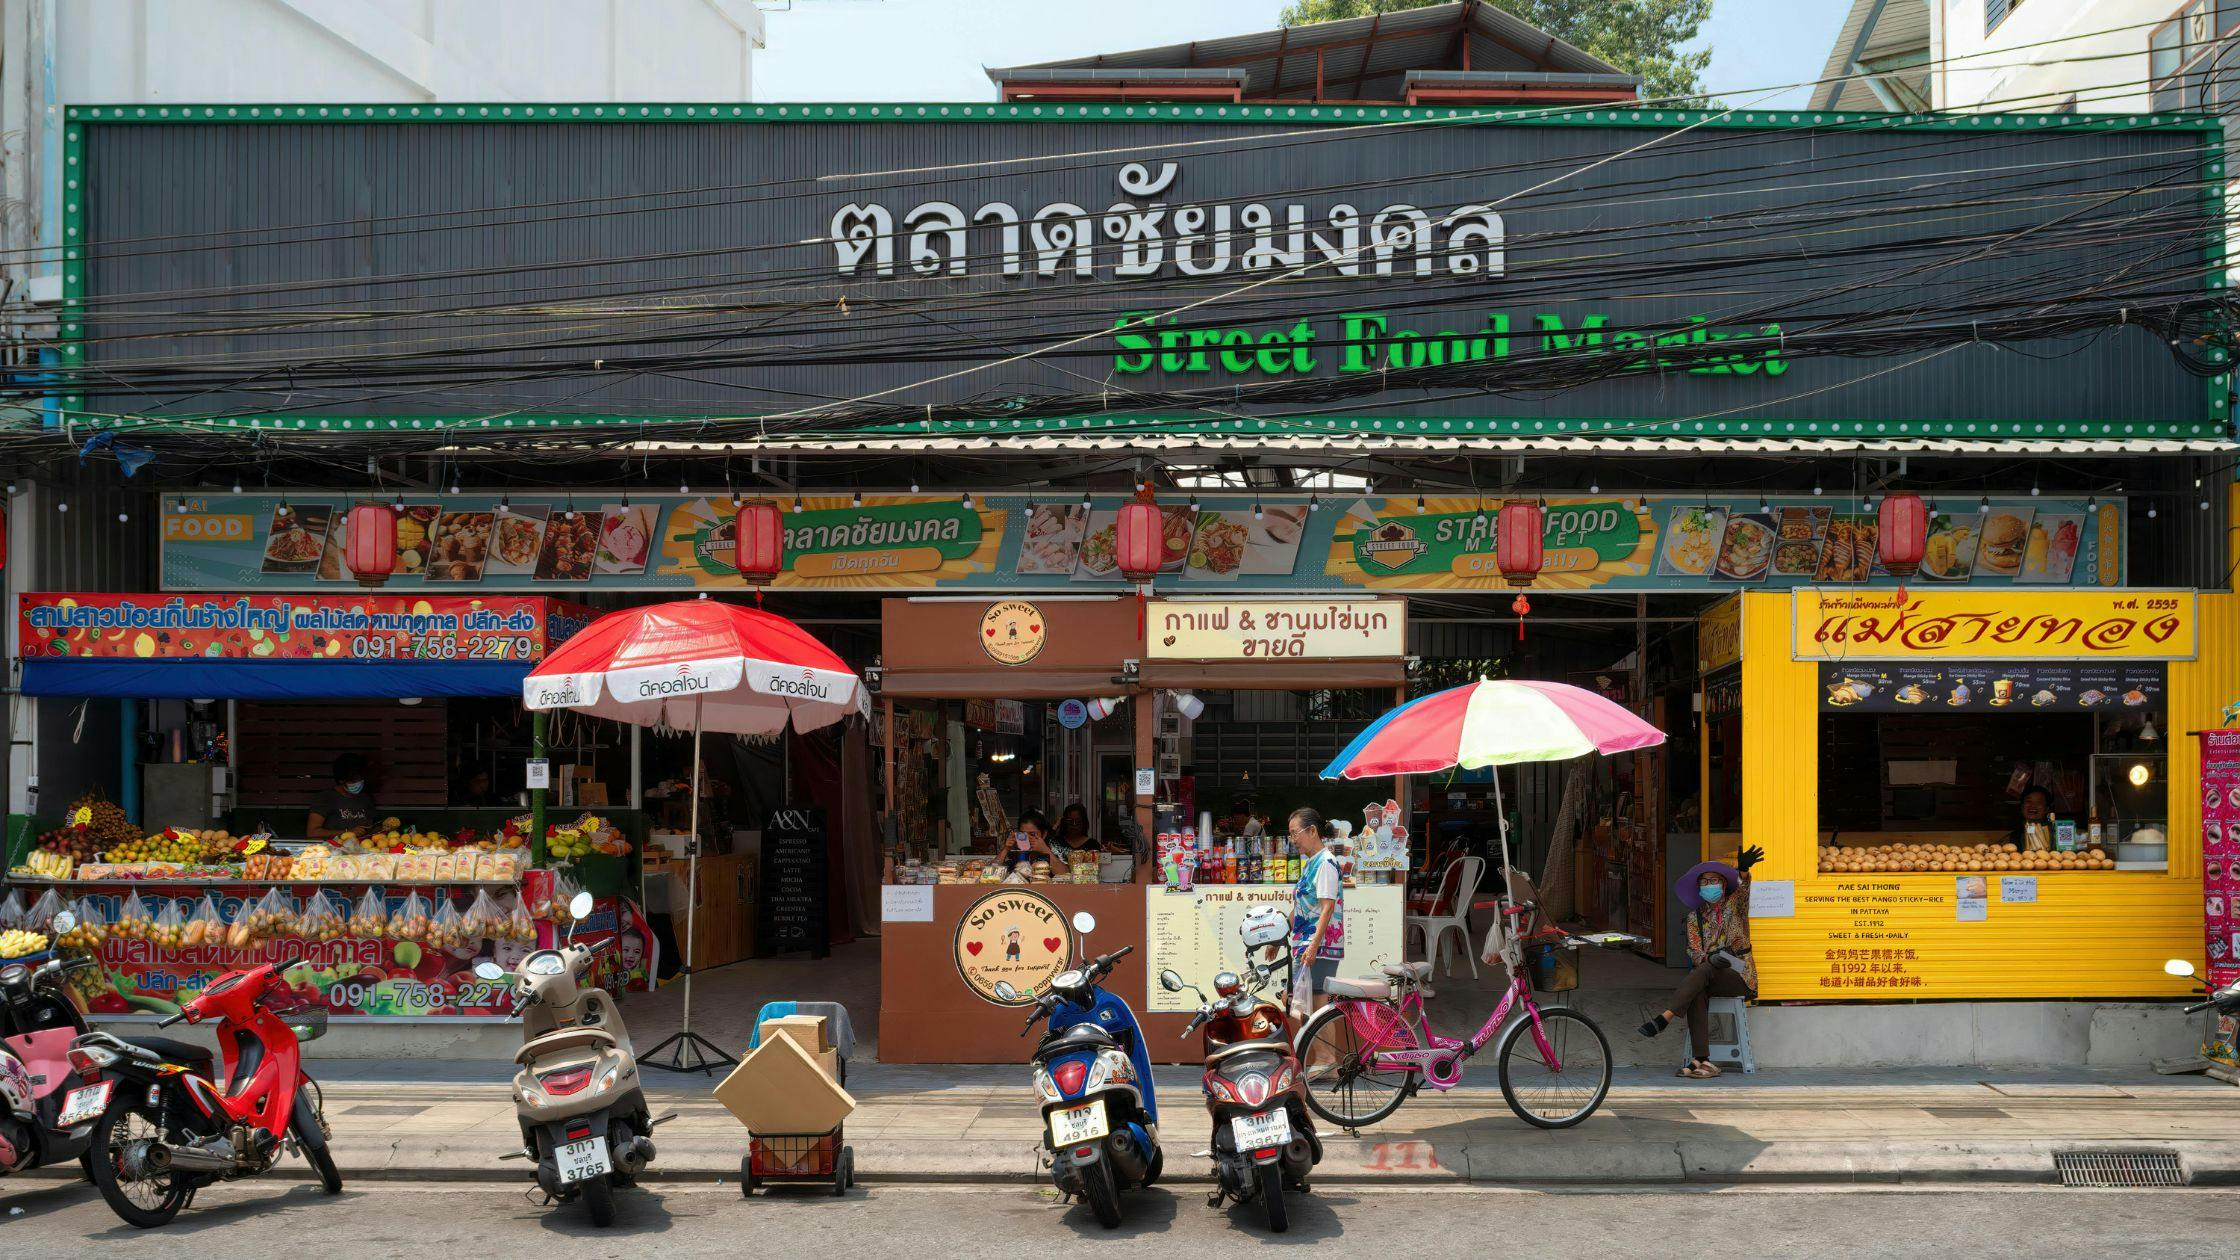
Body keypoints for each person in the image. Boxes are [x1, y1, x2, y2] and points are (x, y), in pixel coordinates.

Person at [1639, 845, 1764, 1078]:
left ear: (1724, 884)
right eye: (1704, 882)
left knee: (1703, 972)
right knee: (1698, 986)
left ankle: (1665, 1017)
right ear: (1699, 889)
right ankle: (1702, 1060)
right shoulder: (1694, 918)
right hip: (1710, 973)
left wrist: (1744, 870)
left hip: (1739, 974)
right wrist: (1709, 957)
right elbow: (1693, 951)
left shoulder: (1735, 905)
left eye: (1714, 880)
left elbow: (1744, 891)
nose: (1709, 885)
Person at [1287, 807, 1345, 1011]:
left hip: (1319, 948)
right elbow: (1302, 908)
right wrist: (1280, 935)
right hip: (1308, 944)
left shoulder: (1325, 863)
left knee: (1313, 1009)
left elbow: (1327, 908)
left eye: (1295, 833)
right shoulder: (1312, 863)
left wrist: (1313, 946)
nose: (1293, 839)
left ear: (1312, 831)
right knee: (1303, 1008)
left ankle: (1322, 1036)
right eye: (1291, 834)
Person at [305, 753, 376, 840]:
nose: (358, 783)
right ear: (341, 780)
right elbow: (312, 833)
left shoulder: (365, 798)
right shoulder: (325, 798)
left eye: (361, 778)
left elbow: (369, 828)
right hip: (333, 847)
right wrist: (347, 832)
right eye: (354, 780)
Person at [2005, 785, 2056, 850]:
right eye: (2028, 801)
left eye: (2039, 802)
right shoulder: (2015, 836)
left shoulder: (2055, 833)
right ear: (2022, 807)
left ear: (2046, 809)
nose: (2033, 806)